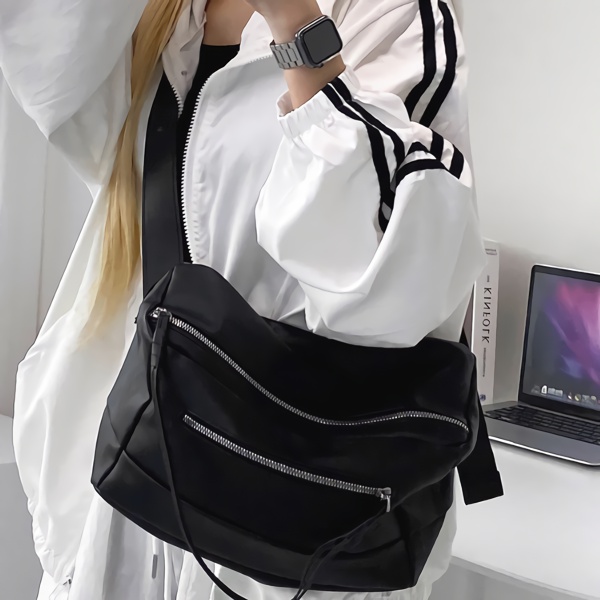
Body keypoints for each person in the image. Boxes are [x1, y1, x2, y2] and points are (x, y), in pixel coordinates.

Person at [0, 0, 483, 598]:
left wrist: (295, 27)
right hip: (134, 483)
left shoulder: (395, 13)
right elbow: (52, 71)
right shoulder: (165, 17)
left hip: (293, 519)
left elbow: (404, 280)